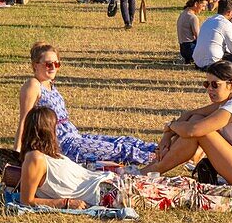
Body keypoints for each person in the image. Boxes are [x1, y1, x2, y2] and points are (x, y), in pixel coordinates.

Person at [18, 106, 232, 212]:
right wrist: (66, 202)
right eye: (55, 126)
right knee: (184, 195)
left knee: (182, 184)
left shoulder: (47, 156)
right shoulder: (34, 159)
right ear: (46, 130)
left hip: (113, 183)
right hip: (109, 193)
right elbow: (27, 200)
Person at [141, 62, 232, 187]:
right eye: (207, 84)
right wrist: (166, 137)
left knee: (202, 131)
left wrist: (171, 125)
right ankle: (153, 167)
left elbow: (193, 130)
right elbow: (190, 114)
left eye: (215, 85)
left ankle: (150, 171)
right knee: (197, 118)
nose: (209, 89)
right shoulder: (229, 103)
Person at [15, 42, 157, 165]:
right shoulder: (33, 85)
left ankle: (160, 148)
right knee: (118, 150)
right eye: (48, 64)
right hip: (61, 144)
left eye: (56, 64)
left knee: (124, 140)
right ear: (35, 65)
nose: (53, 67)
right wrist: (17, 154)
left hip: (74, 136)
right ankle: (158, 157)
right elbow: (24, 121)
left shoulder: (49, 83)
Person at [177, 0, 207, 64]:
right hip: (191, 49)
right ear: (196, 4)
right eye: (203, 6)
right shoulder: (193, 18)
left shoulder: (183, 13)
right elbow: (198, 37)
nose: (203, 9)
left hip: (183, 49)